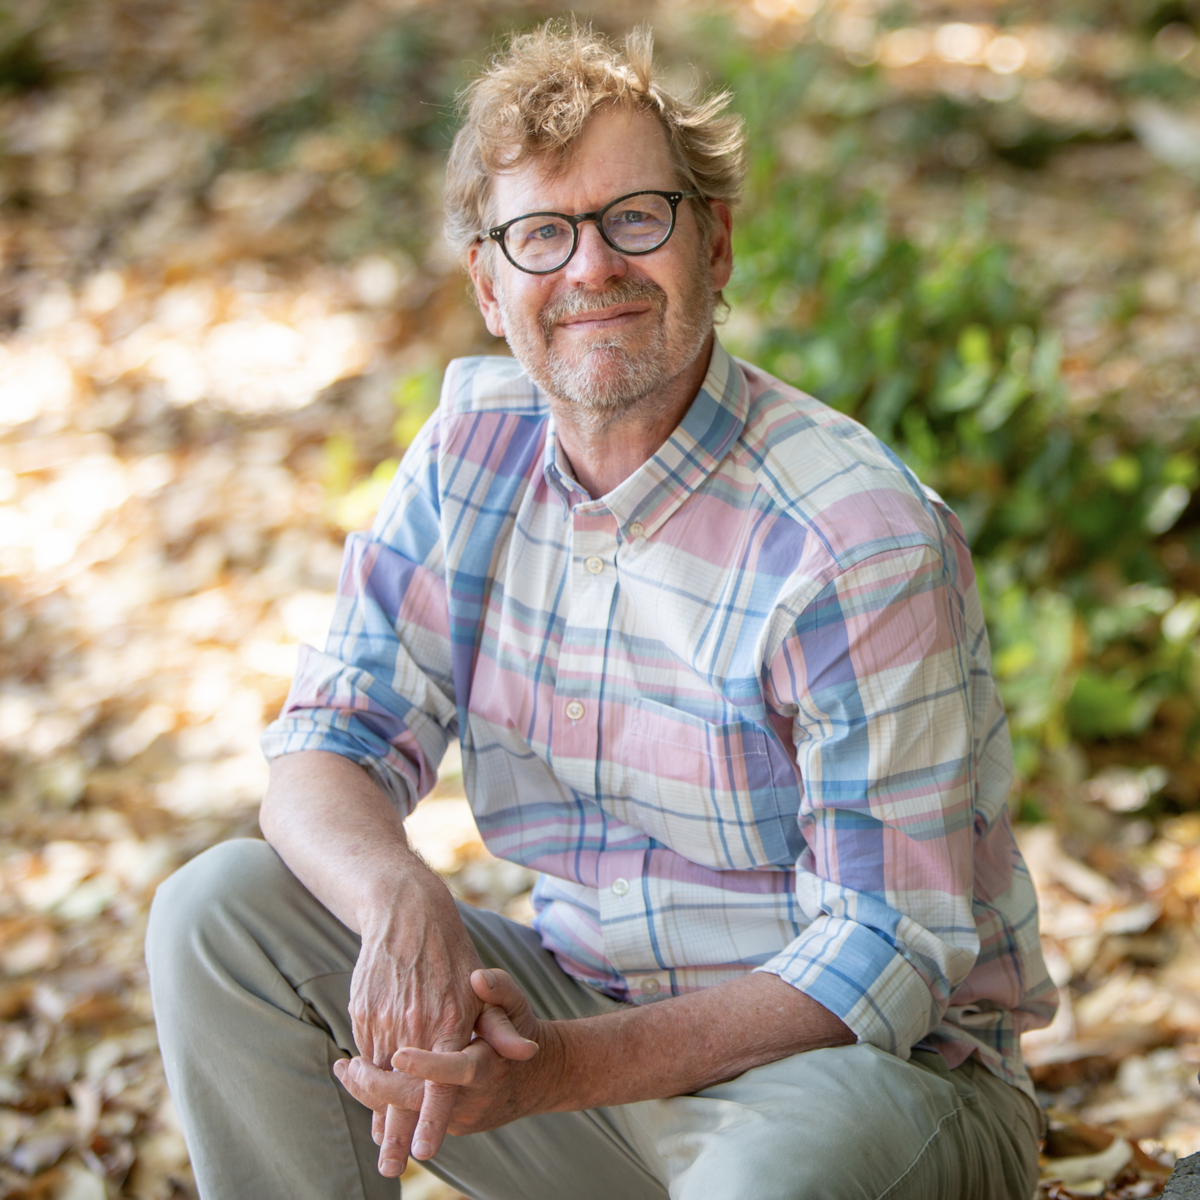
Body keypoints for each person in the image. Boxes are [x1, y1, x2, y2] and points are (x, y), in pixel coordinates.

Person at [146, 22, 1057, 1200]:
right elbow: (325, 742)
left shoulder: (852, 533)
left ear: (713, 241)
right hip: (580, 1051)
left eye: (637, 217)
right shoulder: (469, 451)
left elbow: (886, 957)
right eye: (542, 234)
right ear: (488, 283)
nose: (591, 270)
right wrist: (400, 892)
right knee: (220, 917)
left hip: (866, 1091)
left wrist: (553, 1072)